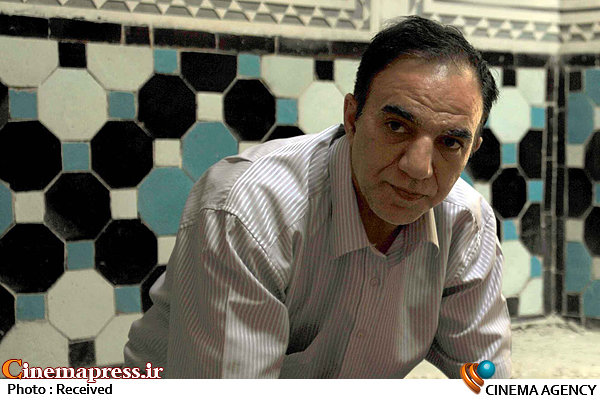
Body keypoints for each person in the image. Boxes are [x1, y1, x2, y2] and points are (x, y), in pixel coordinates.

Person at [124, 15, 511, 378]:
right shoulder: (248, 210)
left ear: (471, 150)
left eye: (450, 143)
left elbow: (485, 381)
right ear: (352, 118)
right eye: (396, 126)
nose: (418, 168)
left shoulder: (465, 223)